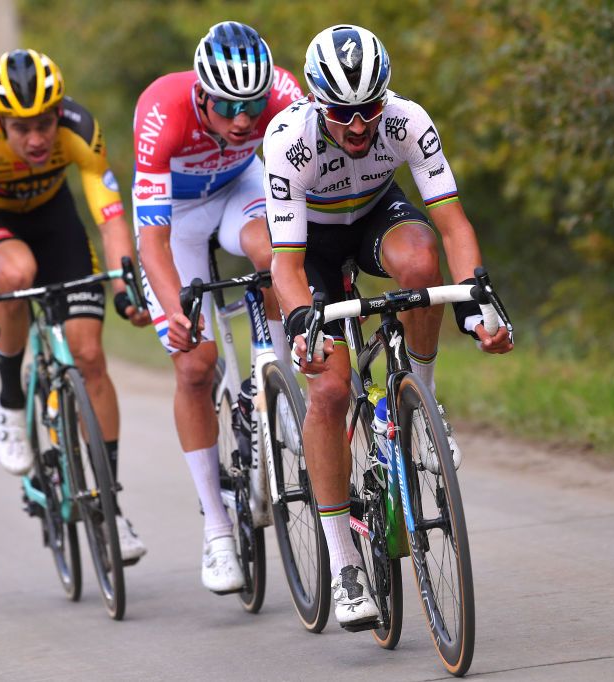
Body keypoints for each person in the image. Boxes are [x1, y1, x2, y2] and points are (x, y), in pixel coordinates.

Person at [263, 25, 513, 629]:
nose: (358, 126)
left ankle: (418, 397)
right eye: (343, 114)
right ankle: (344, 561)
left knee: (422, 263)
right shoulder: (288, 141)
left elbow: (453, 225)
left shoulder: (406, 121)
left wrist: (479, 304)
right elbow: (287, 267)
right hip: (312, 244)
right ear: (319, 105)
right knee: (326, 387)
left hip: (376, 210)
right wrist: (302, 321)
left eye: (369, 109)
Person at [0, 49, 151, 562]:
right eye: (22, 128)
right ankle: (12, 401)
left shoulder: (80, 128)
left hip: (55, 221)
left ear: (59, 113)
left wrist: (126, 286)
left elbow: (109, 219)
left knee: (89, 356)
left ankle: (108, 505)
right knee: (16, 276)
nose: (36, 138)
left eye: (44, 124)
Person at [132, 22, 302, 593]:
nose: (242, 120)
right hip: (176, 221)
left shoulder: (282, 91)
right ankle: (217, 528)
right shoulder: (162, 111)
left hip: (238, 191)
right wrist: (171, 307)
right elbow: (151, 242)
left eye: (252, 106)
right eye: (227, 105)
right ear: (201, 93)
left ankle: (279, 381)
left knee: (272, 250)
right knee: (195, 364)